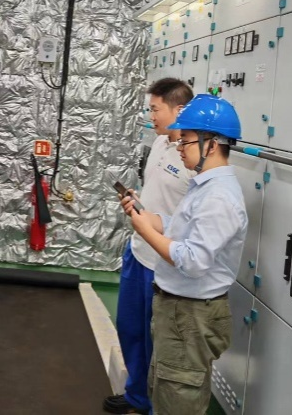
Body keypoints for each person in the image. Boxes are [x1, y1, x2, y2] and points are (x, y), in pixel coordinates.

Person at [122, 94, 247, 415]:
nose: (179, 146)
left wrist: (145, 232)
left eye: (187, 140)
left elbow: (192, 260)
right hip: (179, 311)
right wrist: (149, 218)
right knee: (166, 391)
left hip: (190, 315)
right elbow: (181, 229)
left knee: (178, 399)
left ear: (211, 144)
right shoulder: (204, 186)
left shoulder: (219, 197)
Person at [103, 78, 194, 415]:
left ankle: (155, 405)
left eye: (155, 109)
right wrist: (137, 201)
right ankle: (137, 396)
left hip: (163, 263)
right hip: (138, 252)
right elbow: (158, 193)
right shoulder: (159, 143)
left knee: (158, 340)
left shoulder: (193, 160)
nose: (150, 115)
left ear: (178, 110)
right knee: (131, 330)